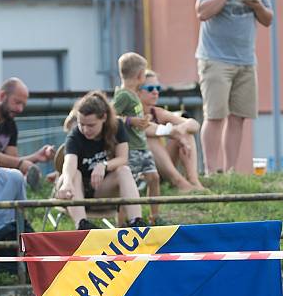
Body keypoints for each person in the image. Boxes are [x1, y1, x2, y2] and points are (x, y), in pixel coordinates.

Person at [195, 0, 273, 175]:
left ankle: (229, 171)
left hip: (246, 61)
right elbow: (202, 12)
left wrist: (256, 5)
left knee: (239, 117)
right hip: (215, 58)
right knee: (216, 115)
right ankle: (210, 170)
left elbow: (268, 19)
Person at [57, 91, 146, 230]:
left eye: (91, 125)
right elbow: (69, 163)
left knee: (123, 170)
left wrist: (103, 165)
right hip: (76, 193)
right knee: (74, 174)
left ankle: (137, 223)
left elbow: (123, 159)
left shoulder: (116, 127)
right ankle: (82, 226)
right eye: (81, 124)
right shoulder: (75, 135)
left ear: (104, 117)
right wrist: (67, 183)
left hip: (101, 189)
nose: (85, 130)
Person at [111, 52, 164, 225]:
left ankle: (155, 217)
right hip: (130, 148)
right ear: (140, 75)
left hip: (141, 146)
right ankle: (121, 223)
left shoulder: (134, 94)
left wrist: (142, 121)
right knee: (129, 186)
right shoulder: (123, 95)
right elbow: (110, 116)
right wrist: (130, 120)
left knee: (154, 178)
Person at [138, 70, 206, 192]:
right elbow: (146, 128)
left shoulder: (157, 112)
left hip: (161, 168)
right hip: (141, 172)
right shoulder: (131, 113)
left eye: (158, 88)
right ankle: (179, 182)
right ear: (137, 90)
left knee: (185, 133)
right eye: (150, 88)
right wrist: (173, 132)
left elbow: (194, 124)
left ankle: (193, 179)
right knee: (150, 137)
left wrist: (181, 129)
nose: (155, 92)